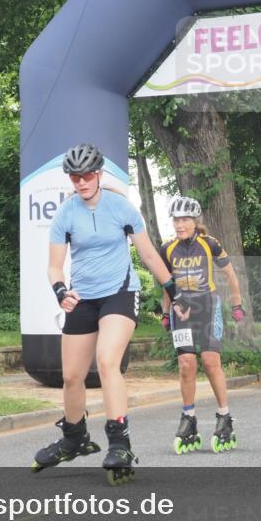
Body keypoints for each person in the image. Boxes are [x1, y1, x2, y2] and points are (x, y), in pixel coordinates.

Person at [33, 143, 187, 485]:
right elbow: (54, 266)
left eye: (87, 175)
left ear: (99, 174)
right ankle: (74, 438)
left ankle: (120, 443)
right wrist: (61, 292)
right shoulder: (66, 214)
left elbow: (148, 254)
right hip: (83, 298)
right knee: (72, 376)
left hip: (119, 293)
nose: (81, 182)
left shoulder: (121, 208)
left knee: (106, 362)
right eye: (75, 176)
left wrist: (174, 292)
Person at [158, 196, 246, 454]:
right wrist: (165, 312)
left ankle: (224, 415)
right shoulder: (167, 249)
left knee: (210, 362)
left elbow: (230, 273)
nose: (179, 224)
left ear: (195, 221)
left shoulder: (210, 244)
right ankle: (189, 418)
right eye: (176, 220)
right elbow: (167, 284)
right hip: (180, 310)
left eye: (184, 219)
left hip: (207, 306)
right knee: (187, 364)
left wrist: (237, 303)